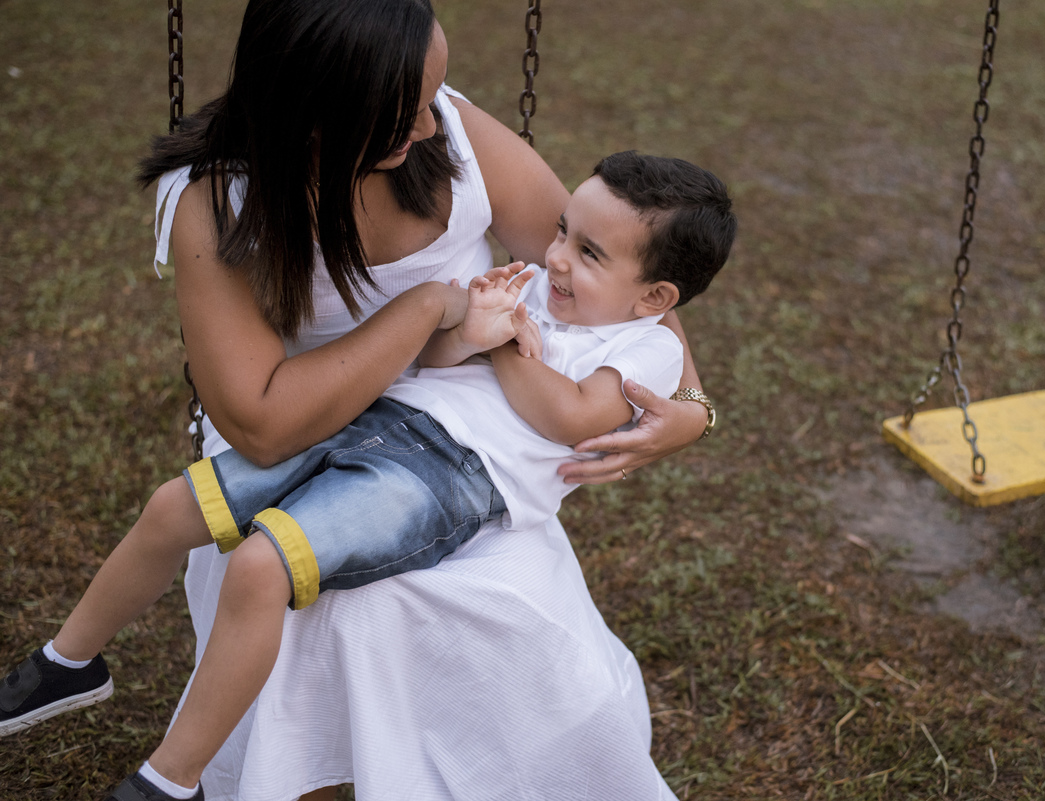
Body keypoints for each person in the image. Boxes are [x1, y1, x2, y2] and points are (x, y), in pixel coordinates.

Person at [3, 2, 718, 800]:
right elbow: (266, 427)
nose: (435, 121)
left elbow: (626, 276)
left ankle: (187, 779)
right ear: (319, 109)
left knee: (374, 603)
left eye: (434, 94)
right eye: (405, 110)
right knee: (215, 534)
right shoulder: (219, 198)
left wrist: (690, 404)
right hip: (324, 427)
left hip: (448, 456)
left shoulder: (450, 130)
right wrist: (431, 312)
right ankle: (76, 669)